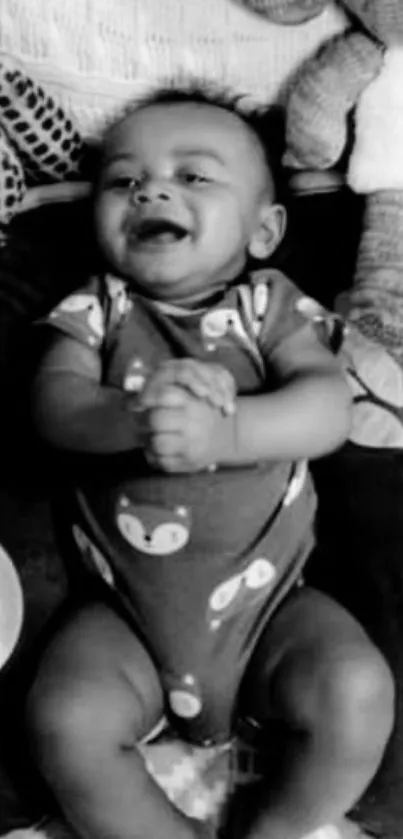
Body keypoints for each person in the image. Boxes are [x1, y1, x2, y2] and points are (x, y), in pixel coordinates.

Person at [27, 86, 394, 839]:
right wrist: (132, 416)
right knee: (64, 714)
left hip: (272, 609)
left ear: (263, 229)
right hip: (120, 614)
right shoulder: (97, 308)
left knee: (357, 688)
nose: (152, 188)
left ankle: (275, 828)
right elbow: (54, 408)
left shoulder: (268, 305)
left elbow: (326, 409)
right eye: (124, 180)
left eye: (193, 175)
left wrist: (225, 435)